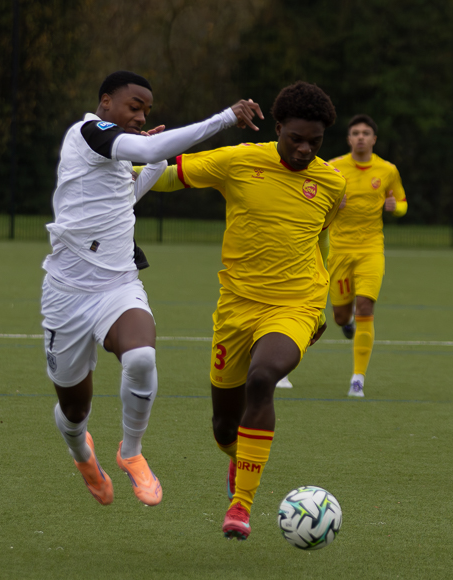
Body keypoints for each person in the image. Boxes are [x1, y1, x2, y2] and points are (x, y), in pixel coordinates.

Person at [43, 70, 262, 507]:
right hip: (66, 293)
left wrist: (155, 162)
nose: (142, 116)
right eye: (134, 106)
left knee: (141, 357)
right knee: (73, 411)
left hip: (118, 285)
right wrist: (224, 118)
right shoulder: (90, 132)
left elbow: (128, 193)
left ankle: (131, 452)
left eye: (146, 110)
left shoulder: (116, 152)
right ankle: (81, 453)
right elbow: (146, 147)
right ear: (106, 102)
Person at [145, 81, 346, 539]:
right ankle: (240, 461)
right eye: (296, 137)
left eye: (315, 142)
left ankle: (241, 506)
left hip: (295, 304)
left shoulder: (332, 184)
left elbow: (321, 243)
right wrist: (120, 162)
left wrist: (318, 309)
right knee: (222, 428)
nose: (304, 149)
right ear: (278, 127)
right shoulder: (238, 161)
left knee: (263, 377)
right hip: (236, 308)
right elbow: (166, 175)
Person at [325, 114, 407, 398]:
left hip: (371, 249)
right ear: (349, 139)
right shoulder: (333, 168)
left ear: (374, 139)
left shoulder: (387, 170)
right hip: (339, 252)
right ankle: (345, 325)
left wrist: (395, 207)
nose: (360, 137)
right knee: (339, 316)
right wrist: (334, 204)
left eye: (366, 133)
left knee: (365, 308)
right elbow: (316, 205)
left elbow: (403, 203)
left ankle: (357, 379)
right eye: (355, 133)